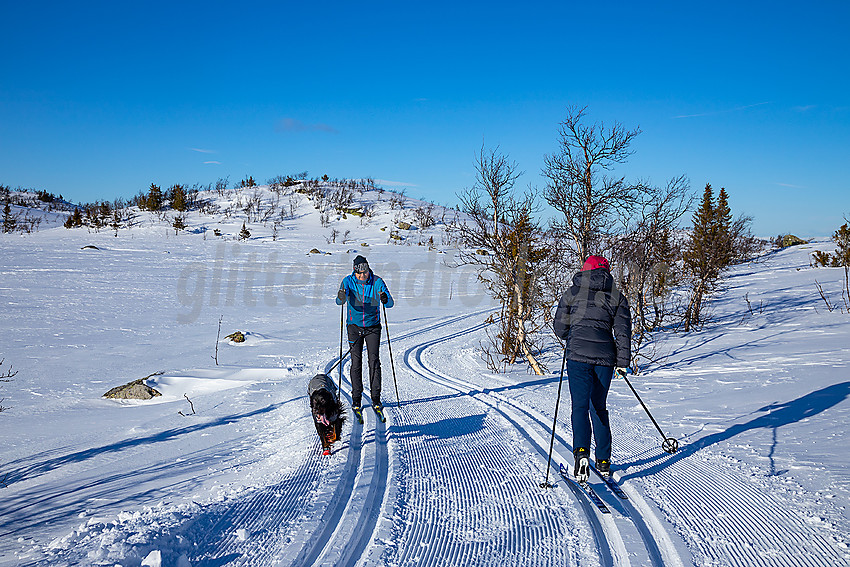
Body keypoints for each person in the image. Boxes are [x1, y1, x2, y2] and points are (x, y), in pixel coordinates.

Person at [553, 255, 631, 481]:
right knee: (598, 406)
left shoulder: (572, 293)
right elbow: (623, 332)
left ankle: (581, 455)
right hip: (605, 359)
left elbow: (560, 327)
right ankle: (604, 461)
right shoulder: (616, 296)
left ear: (584, 270)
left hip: (577, 356)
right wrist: (623, 362)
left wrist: (571, 336)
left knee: (579, 406)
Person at [336, 255, 394, 416]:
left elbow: (390, 304)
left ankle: (376, 398)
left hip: (373, 327)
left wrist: (384, 298)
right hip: (354, 327)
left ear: (368, 269)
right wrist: (341, 296)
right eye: (359, 273)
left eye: (365, 272)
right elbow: (339, 302)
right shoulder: (347, 281)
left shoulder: (377, 282)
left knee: (374, 361)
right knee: (356, 362)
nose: (363, 276)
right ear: (354, 272)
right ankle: (356, 399)